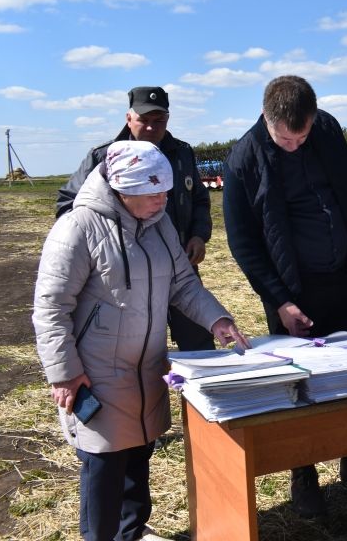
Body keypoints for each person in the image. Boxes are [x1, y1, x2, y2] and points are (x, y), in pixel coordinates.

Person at [33, 140, 250, 541]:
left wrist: (217, 318)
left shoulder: (160, 224)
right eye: (152, 194)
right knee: (104, 465)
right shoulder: (78, 228)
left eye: (165, 193)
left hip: (146, 365)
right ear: (122, 190)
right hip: (95, 373)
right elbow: (50, 307)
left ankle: (131, 532)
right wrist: (63, 373)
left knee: (139, 453)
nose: (162, 201)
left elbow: (183, 283)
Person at [222, 74, 347, 519]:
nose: (297, 145)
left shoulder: (326, 129)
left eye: (303, 135)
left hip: (340, 277)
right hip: (291, 294)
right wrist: (280, 301)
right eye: (287, 138)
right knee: (299, 385)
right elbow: (244, 244)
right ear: (268, 119)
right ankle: (304, 478)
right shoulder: (244, 159)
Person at [56, 86, 216, 352]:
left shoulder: (182, 154)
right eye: (144, 120)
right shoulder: (104, 156)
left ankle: (194, 394)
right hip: (126, 276)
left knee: (199, 346)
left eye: (159, 121)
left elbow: (199, 199)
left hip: (180, 267)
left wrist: (199, 235)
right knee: (136, 352)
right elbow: (68, 206)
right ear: (129, 118)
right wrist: (102, 247)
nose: (152, 128)